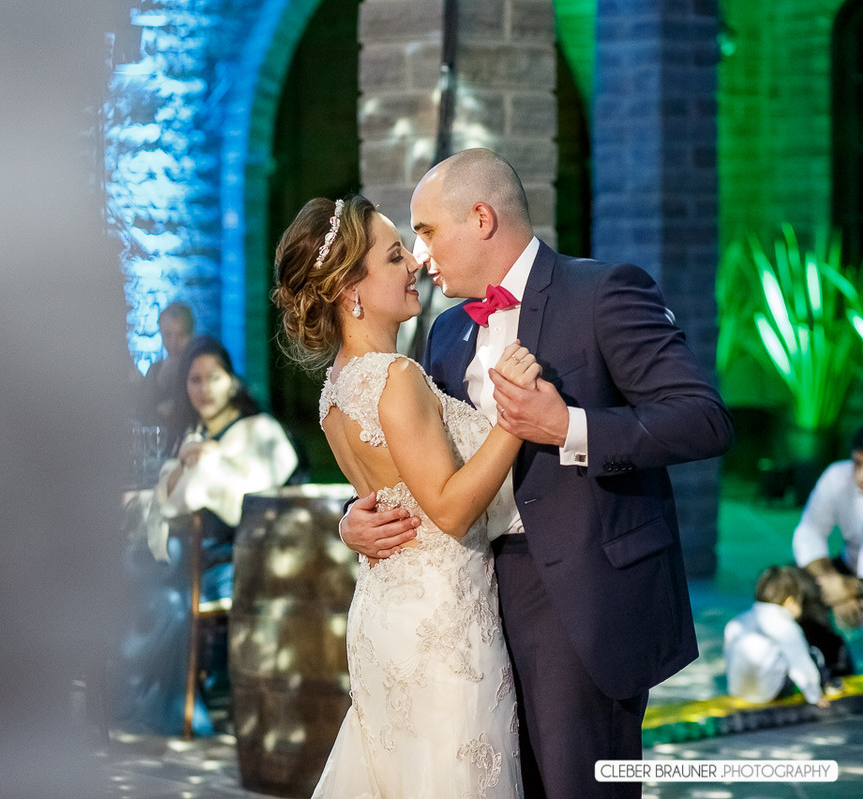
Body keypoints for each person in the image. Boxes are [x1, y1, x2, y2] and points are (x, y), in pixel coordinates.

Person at [339, 149, 735, 798]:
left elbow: (703, 418)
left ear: (482, 218)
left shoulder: (605, 292)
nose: (418, 254)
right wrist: (354, 519)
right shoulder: (443, 335)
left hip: (580, 594)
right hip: (466, 603)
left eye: (428, 230)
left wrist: (570, 428)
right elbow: (424, 463)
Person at [274, 194, 540, 797]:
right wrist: (514, 421)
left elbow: (393, 493)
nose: (414, 264)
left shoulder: (334, 391)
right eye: (395, 256)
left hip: (385, 615)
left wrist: (351, 524)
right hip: (441, 627)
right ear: (350, 290)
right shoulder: (397, 378)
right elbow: (448, 508)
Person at [110, 335, 300, 737]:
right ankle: (147, 693)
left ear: (231, 381)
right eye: (194, 380)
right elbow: (171, 493)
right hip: (194, 557)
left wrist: (209, 463)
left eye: (213, 378)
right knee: (152, 580)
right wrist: (184, 468)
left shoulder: (258, 432)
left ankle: (139, 692)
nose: (203, 388)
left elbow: (252, 497)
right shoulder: (193, 435)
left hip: (241, 557)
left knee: (163, 581)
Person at [724, 566, 832, 708]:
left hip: (737, 691)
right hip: (768, 695)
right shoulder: (787, 627)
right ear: (790, 601)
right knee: (813, 655)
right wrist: (814, 696)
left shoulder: (736, 622)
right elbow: (801, 667)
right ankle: (828, 687)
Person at [793, 426, 863, 630]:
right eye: (857, 463)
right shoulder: (838, 477)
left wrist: (851, 588)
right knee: (793, 585)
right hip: (847, 567)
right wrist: (831, 580)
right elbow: (809, 532)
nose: (860, 476)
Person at [139, 301, 195, 441]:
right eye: (168, 335)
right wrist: (159, 382)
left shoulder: (198, 370)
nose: (174, 343)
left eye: (181, 335)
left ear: (191, 334)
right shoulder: (155, 370)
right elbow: (142, 415)